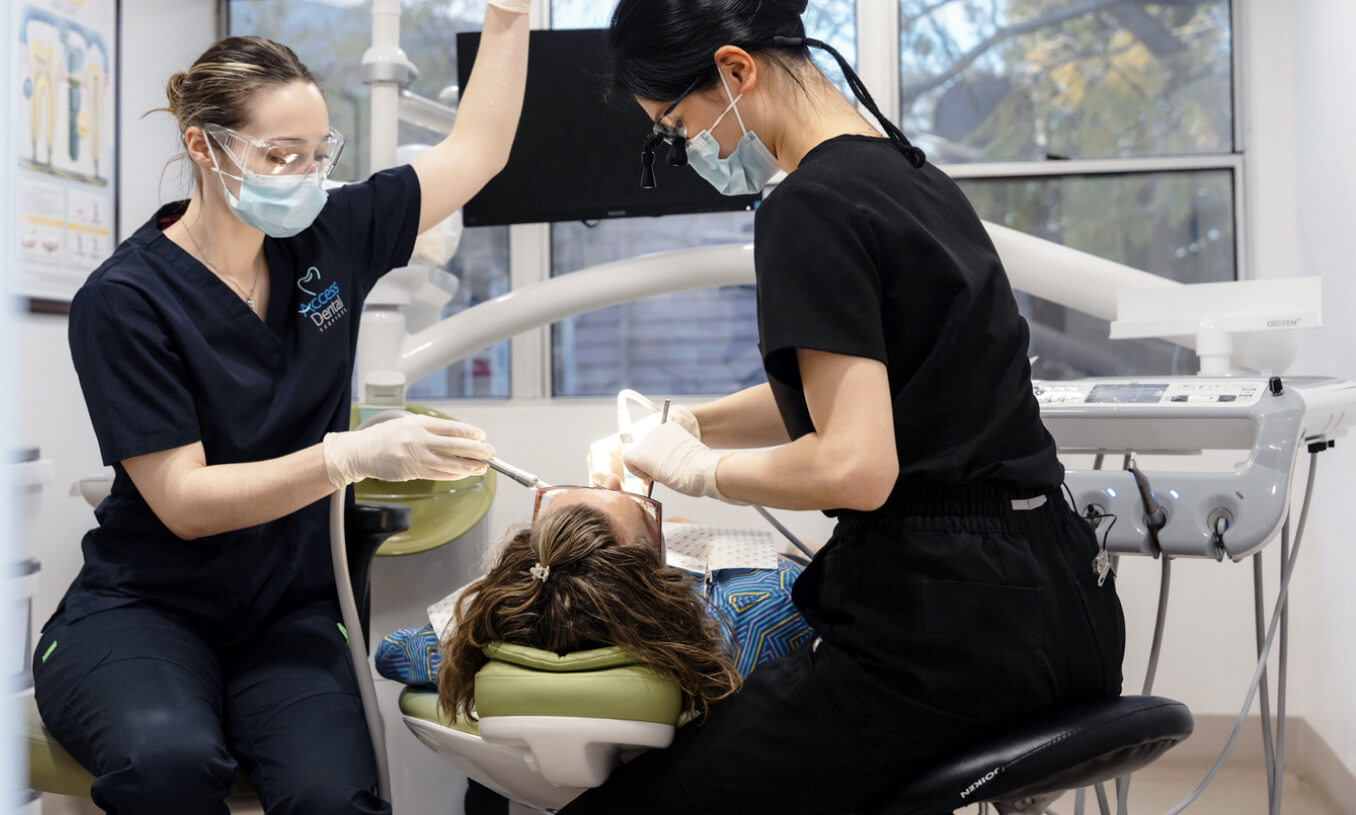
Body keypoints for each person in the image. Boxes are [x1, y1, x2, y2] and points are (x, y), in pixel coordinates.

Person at [571, 1, 1127, 813]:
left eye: (678, 127)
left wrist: (701, 470)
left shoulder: (808, 205)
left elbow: (857, 466)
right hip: (1066, 609)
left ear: (735, 70)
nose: (691, 152)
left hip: (946, 635)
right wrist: (692, 423)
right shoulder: (910, 176)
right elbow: (858, 384)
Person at [32, 4, 531, 813]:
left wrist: (510, 15)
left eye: (317, 152)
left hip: (285, 613)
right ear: (204, 146)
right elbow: (185, 501)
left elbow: (479, 151)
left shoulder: (330, 236)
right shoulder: (126, 299)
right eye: (279, 154)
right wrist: (348, 456)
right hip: (143, 610)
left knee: (333, 796)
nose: (304, 174)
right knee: (171, 762)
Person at [374, 482, 813, 718]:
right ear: (656, 562)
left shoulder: (486, 631)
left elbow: (392, 652)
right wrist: (699, 545)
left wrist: (496, 591)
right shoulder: (751, 607)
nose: (609, 481)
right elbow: (806, 579)